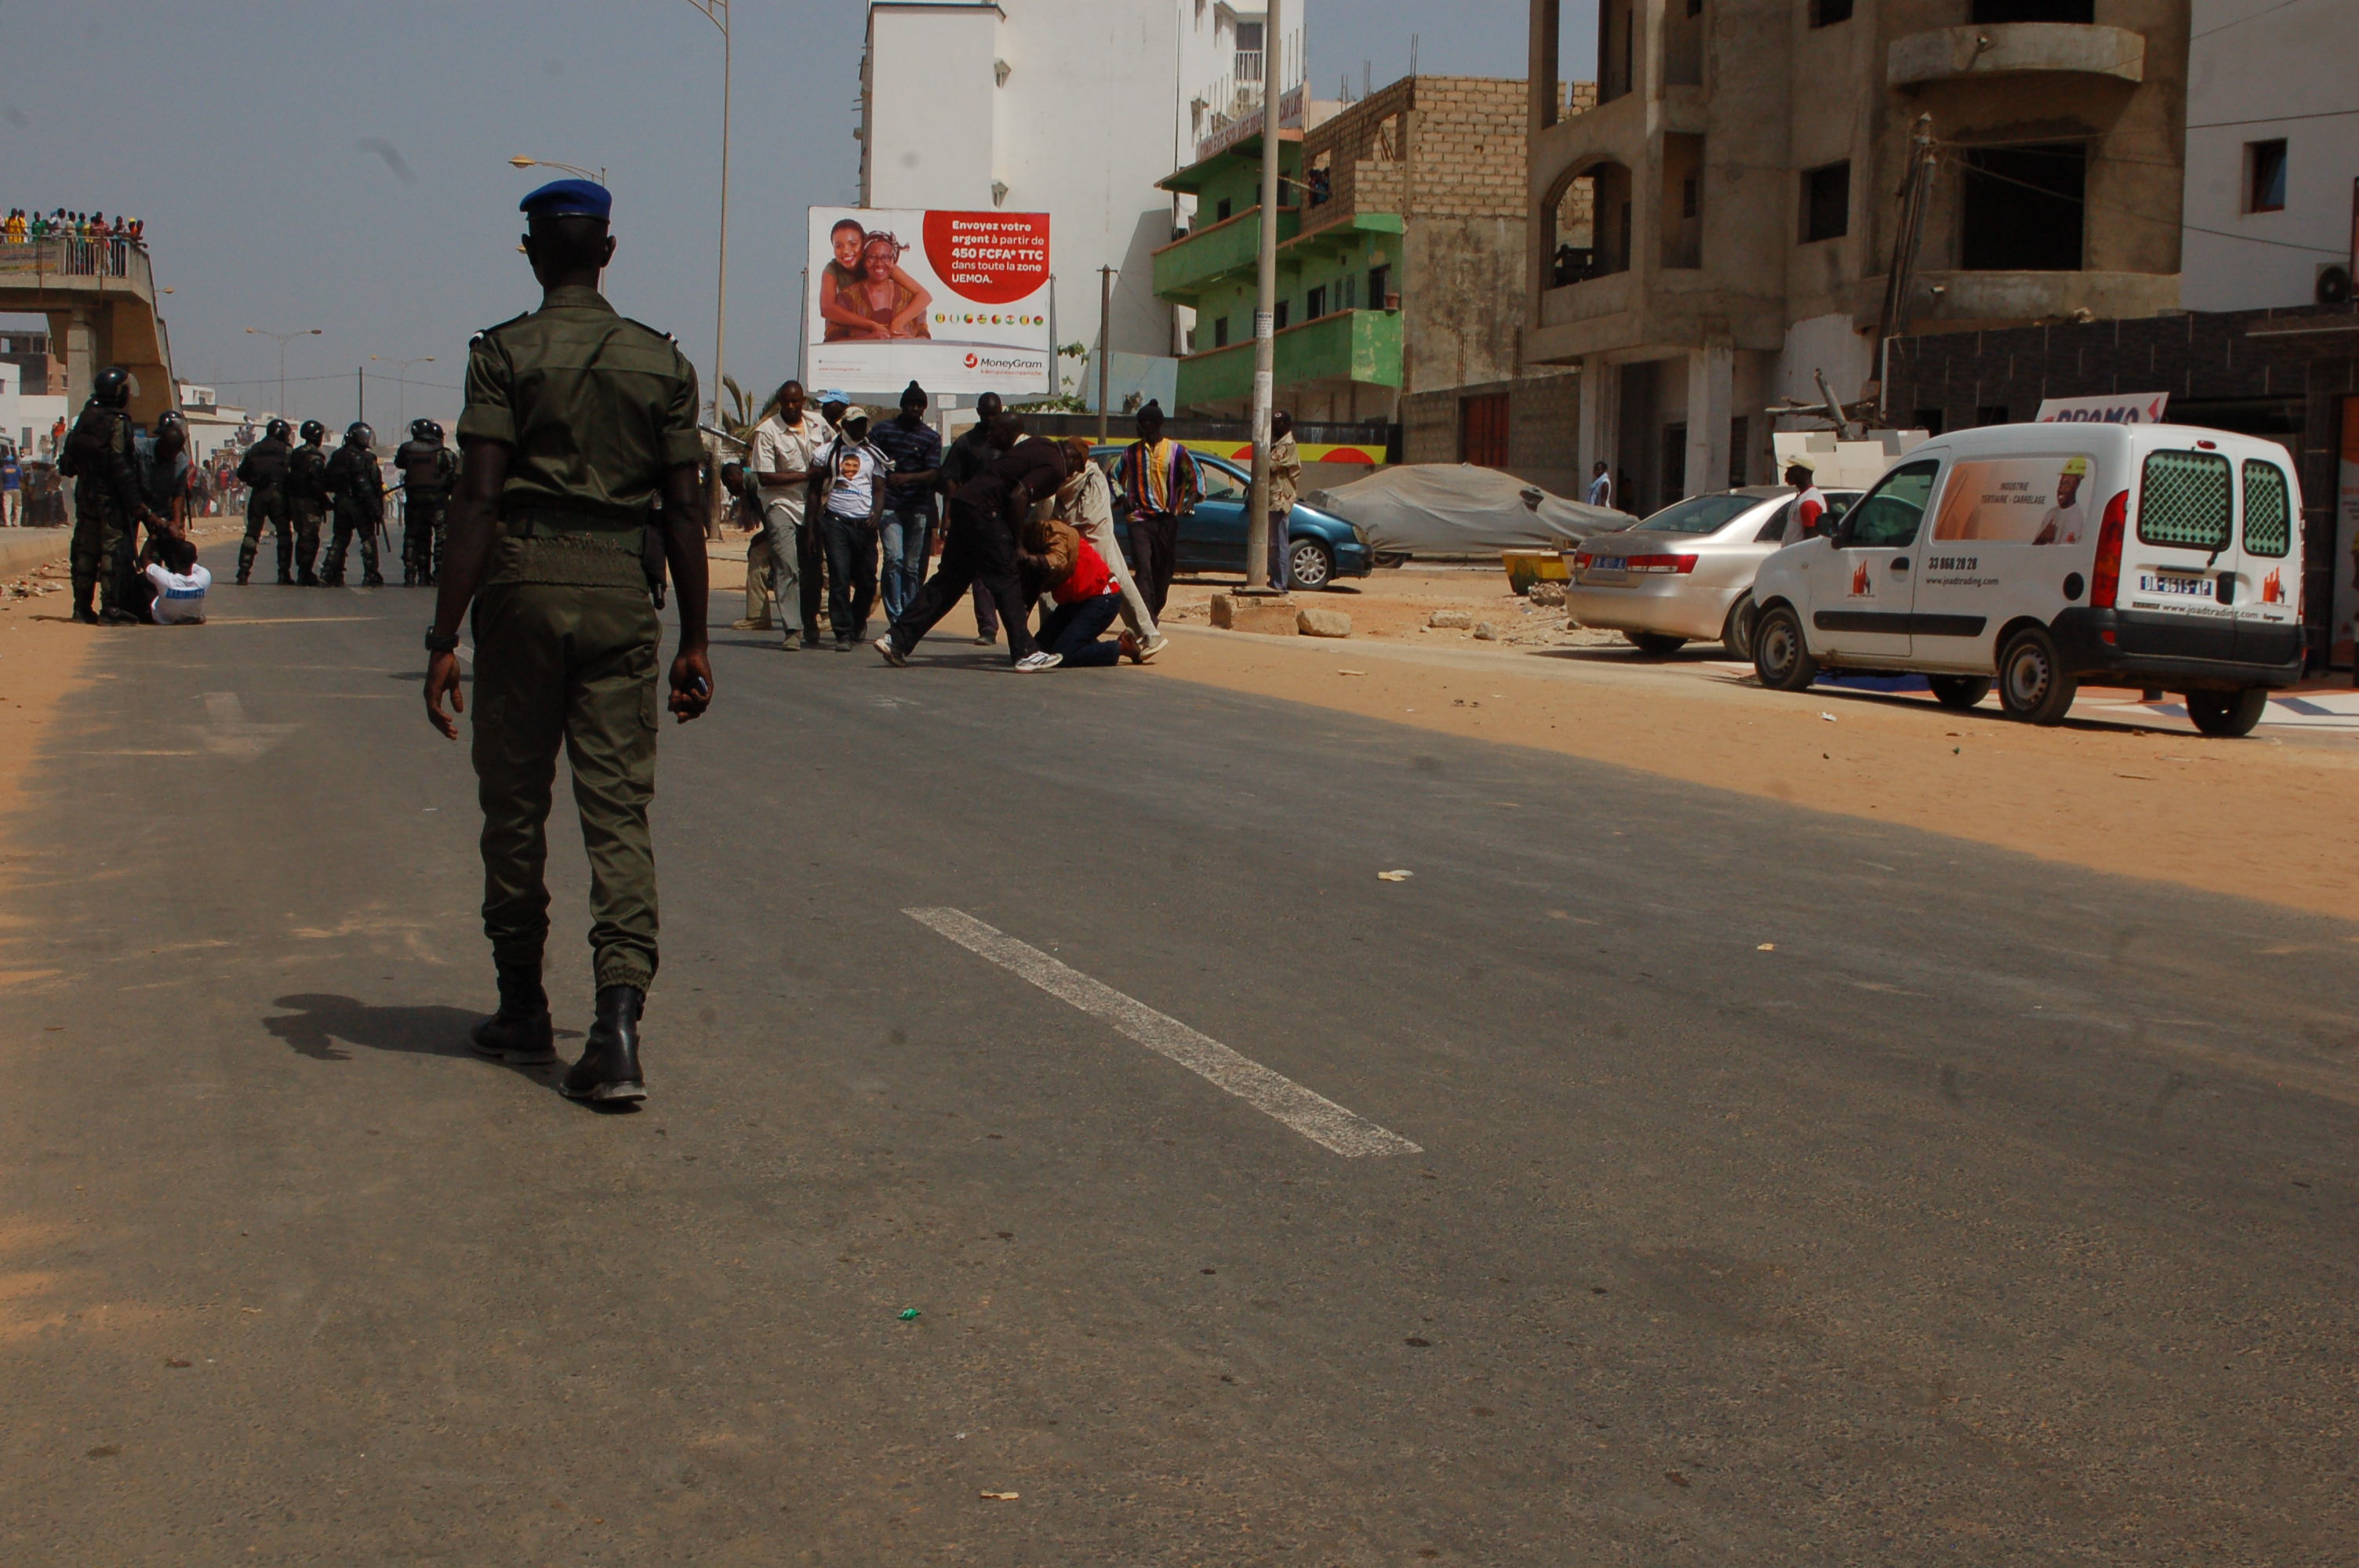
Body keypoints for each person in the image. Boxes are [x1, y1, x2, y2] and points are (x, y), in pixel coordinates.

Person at [423, 176, 712, 1105]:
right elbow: (684, 513)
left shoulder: (501, 354)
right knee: (616, 814)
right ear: (608, 252)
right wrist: (695, 639)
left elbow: (477, 498)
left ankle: (521, 1007)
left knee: (514, 807)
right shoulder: (662, 364)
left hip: (520, 591)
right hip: (622, 595)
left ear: (533, 254)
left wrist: (443, 635)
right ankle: (617, 1029)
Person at [876, 414, 1063, 670]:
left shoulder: (1032, 447)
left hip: (966, 505)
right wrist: (1017, 542)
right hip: (985, 512)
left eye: (994, 431)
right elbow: (1018, 496)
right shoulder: (1053, 462)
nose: (989, 436)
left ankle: (896, 639)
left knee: (949, 581)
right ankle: (1025, 651)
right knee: (1007, 578)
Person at [58, 364, 161, 624]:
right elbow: (120, 465)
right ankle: (111, 608)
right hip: (110, 497)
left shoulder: (86, 418)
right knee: (112, 551)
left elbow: (69, 462)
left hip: (86, 493)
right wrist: (136, 504)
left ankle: (81, 608)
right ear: (118, 392)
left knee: (85, 550)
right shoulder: (118, 422)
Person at [1053, 437, 1160, 661]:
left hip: (1093, 534)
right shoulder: (1057, 481)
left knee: (1112, 576)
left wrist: (1066, 531)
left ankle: (1147, 633)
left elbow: (1090, 518)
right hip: (1076, 537)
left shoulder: (1091, 478)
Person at [747, 379, 831, 649]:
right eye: (787, 402)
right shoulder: (767, 431)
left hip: (815, 505)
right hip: (781, 503)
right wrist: (806, 475)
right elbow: (765, 476)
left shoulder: (818, 424)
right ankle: (792, 629)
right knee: (786, 565)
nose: (792, 406)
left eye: (796, 401)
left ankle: (810, 619)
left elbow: (837, 452)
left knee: (813, 568)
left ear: (803, 401)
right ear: (780, 403)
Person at [811, 404, 889, 650]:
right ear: (843, 426)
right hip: (836, 522)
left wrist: (877, 514)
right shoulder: (826, 453)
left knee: (867, 582)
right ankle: (843, 633)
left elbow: (879, 488)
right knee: (840, 578)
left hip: (864, 524)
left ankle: (857, 620)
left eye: (863, 423)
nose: (860, 428)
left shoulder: (873, 454)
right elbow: (814, 489)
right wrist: (813, 524)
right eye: (855, 424)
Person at [1114, 401, 1198, 619]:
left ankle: (1155, 608)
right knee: (1143, 567)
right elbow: (1113, 477)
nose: (1144, 427)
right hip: (1139, 520)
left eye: (1149, 422)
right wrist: (1123, 498)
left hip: (1166, 520)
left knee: (1163, 570)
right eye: (1141, 422)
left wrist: (1190, 501)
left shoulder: (1176, 451)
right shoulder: (1130, 453)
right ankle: (1146, 617)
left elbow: (1195, 475)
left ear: (1158, 424)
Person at [1017, 506, 1127, 669]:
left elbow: (1057, 561)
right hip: (1073, 603)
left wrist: (1028, 559)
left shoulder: (1052, 532)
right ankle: (1084, 642)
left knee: (1064, 655)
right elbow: (1030, 593)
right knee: (1039, 649)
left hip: (1101, 599)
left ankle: (1120, 647)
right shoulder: (1028, 547)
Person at [870, 380, 942, 622]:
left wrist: (907, 478)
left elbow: (933, 473)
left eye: (919, 405)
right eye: (911, 404)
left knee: (912, 567)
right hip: (889, 506)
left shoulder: (930, 437)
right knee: (894, 559)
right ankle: (896, 616)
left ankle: (909, 616)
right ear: (902, 405)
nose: (915, 409)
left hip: (917, 507)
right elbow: (869, 460)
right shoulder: (883, 431)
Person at [939, 391, 1005, 645]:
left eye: (995, 414)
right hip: (973, 517)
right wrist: (947, 517)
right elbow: (951, 481)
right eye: (986, 414)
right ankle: (988, 627)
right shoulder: (966, 443)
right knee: (978, 573)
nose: (991, 419)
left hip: (1003, 516)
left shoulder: (1008, 441)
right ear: (978, 413)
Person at [818, 219, 930, 342]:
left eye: (853, 244)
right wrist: (872, 326)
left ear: (863, 244)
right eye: (838, 246)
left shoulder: (883, 265)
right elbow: (827, 309)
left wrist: (898, 323)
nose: (846, 251)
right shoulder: (833, 271)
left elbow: (924, 296)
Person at [319, 423, 385, 586]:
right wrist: (376, 508)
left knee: (340, 539)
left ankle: (329, 573)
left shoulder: (337, 456)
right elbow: (369, 486)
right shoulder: (366, 458)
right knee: (368, 538)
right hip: (360, 503)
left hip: (342, 502)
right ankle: (371, 574)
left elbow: (327, 481)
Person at [394, 418, 458, 586]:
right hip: (438, 503)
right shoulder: (444, 453)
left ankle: (412, 574)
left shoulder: (406, 449)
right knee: (441, 538)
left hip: (414, 502)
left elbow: (399, 463)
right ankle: (439, 574)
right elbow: (454, 477)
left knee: (414, 536)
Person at [234, 417, 294, 585]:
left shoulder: (255, 449)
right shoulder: (287, 451)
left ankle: (243, 572)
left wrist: (255, 481)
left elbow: (241, 473)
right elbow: (294, 475)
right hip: (279, 494)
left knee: (252, 534)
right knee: (284, 533)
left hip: (259, 494)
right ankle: (284, 573)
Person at [286, 419, 331, 584]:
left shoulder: (296, 453)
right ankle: (305, 573)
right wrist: (325, 500)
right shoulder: (315, 457)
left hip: (295, 499)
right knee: (311, 537)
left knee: (302, 536)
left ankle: (302, 571)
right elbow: (316, 481)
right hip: (310, 502)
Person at [1265, 409, 1302, 589]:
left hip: (1279, 500)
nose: (1275, 428)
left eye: (1278, 425)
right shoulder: (1277, 443)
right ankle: (1276, 581)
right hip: (1272, 499)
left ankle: (1280, 584)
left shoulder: (1286, 445)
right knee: (1273, 544)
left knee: (1279, 544)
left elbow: (1269, 465)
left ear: (1287, 425)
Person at [139, 533, 210, 625]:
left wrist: (153, 537)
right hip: (192, 618)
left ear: (174, 558)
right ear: (195, 559)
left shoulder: (166, 579)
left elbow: (144, 560)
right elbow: (189, 561)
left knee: (142, 578)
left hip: (162, 619)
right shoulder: (204, 577)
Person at [2031, 456, 2089, 546]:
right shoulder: (2051, 513)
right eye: (2061, 483)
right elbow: (2033, 551)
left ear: (2076, 486)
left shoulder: (2075, 518)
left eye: (2067, 484)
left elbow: (2064, 554)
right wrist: (2042, 539)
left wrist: (2043, 540)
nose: (2061, 489)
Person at [1785, 463, 1830, 536]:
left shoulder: (1809, 502)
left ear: (1803, 472)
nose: (1786, 474)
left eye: (1791, 470)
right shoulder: (1803, 497)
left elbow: (1811, 538)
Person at [0, 443, 21, 525]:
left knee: (7, 506)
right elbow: (21, 478)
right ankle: (17, 522)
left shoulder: (3, 470)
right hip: (16, 488)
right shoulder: (18, 469)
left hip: (7, 489)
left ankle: (8, 522)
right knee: (18, 506)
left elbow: (2, 479)